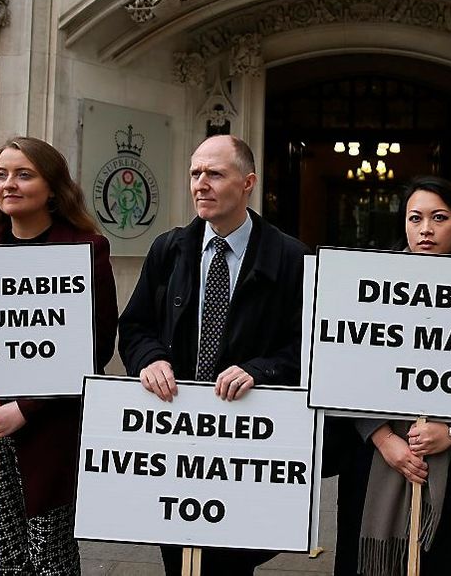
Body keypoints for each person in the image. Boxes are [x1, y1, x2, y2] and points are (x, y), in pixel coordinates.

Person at [0, 136, 119, 574]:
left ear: (53, 188)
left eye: (24, 174)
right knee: (6, 555)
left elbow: (96, 349)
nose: (8, 184)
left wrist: (24, 408)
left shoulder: (86, 250)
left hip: (49, 427)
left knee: (51, 557)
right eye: (1, 174)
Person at [117, 134, 307, 576]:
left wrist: (260, 370)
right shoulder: (170, 248)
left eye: (215, 174)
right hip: (175, 436)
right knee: (178, 558)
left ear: (248, 183)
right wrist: (150, 359)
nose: (200, 183)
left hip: (245, 441)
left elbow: (306, 347)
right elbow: (135, 326)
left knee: (230, 563)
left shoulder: (290, 258)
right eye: (195, 173)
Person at [334, 176, 451, 576]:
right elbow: (344, 370)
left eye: (438, 217)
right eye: (415, 218)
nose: (425, 229)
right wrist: (384, 437)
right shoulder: (369, 286)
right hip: (378, 459)